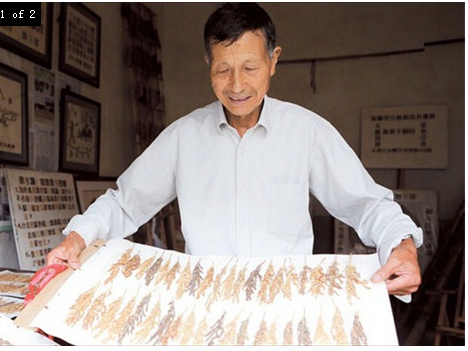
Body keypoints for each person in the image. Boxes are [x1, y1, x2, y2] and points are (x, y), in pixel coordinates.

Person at [47, 3, 422, 300]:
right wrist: (77, 238)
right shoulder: (183, 137)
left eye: (250, 67)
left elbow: (367, 204)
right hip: (206, 303)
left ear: (273, 60)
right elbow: (125, 203)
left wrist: (402, 246)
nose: (237, 85)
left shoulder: (306, 132)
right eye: (223, 69)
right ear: (208, 64)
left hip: (286, 303)